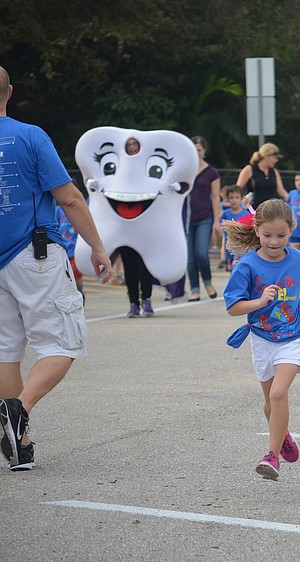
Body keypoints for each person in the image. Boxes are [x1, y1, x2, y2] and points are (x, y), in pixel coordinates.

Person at [0, 65, 112, 471]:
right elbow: (70, 199)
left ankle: (20, 443)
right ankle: (21, 407)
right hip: (33, 255)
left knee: (5, 350)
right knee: (63, 343)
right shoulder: (30, 136)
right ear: (9, 91)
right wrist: (96, 246)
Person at [222, 199, 300, 480]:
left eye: (281, 235)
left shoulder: (299, 260)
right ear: (257, 230)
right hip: (262, 338)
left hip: (292, 337)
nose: (274, 241)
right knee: (269, 402)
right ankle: (284, 435)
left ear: (291, 230)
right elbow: (233, 308)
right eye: (268, 235)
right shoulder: (247, 265)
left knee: (279, 394)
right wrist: (259, 301)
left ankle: (272, 456)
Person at [115, 137, 156, 316]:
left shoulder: (148, 169)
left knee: (145, 266)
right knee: (129, 267)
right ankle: (133, 303)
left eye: (134, 144)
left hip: (145, 226)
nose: (132, 148)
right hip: (125, 226)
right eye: (129, 145)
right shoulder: (119, 172)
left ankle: (146, 298)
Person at [186, 136, 221, 302]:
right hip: (186, 218)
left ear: (204, 151)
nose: (196, 153)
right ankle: (194, 289)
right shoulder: (184, 170)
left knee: (201, 252)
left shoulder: (212, 172)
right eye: (193, 150)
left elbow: (216, 197)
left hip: (204, 217)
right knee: (190, 257)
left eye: (199, 150)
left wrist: (217, 221)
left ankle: (207, 282)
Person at [236, 143, 287, 209]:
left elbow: (281, 191)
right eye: (275, 158)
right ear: (267, 156)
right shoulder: (249, 169)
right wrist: (243, 198)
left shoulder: (274, 172)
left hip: (270, 209)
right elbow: (237, 188)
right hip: (253, 209)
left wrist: (292, 197)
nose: (276, 160)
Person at [220, 185, 250, 271]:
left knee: (241, 267)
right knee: (231, 269)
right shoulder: (225, 214)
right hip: (229, 246)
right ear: (227, 199)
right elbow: (221, 226)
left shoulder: (246, 214)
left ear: (241, 198)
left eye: (237, 198)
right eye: (231, 198)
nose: (234, 200)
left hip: (242, 246)